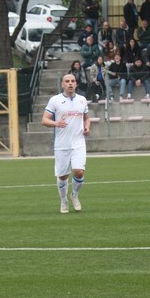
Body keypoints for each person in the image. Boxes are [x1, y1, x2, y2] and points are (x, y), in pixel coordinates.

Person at [41, 74, 91, 213]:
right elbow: (44, 120)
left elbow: (87, 118)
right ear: (62, 84)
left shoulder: (82, 100)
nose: (70, 83)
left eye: (73, 81)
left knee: (79, 172)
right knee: (63, 176)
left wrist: (87, 127)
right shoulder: (55, 100)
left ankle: (74, 195)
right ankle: (63, 201)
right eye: (67, 81)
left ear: (76, 84)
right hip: (62, 144)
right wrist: (56, 123)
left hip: (78, 142)